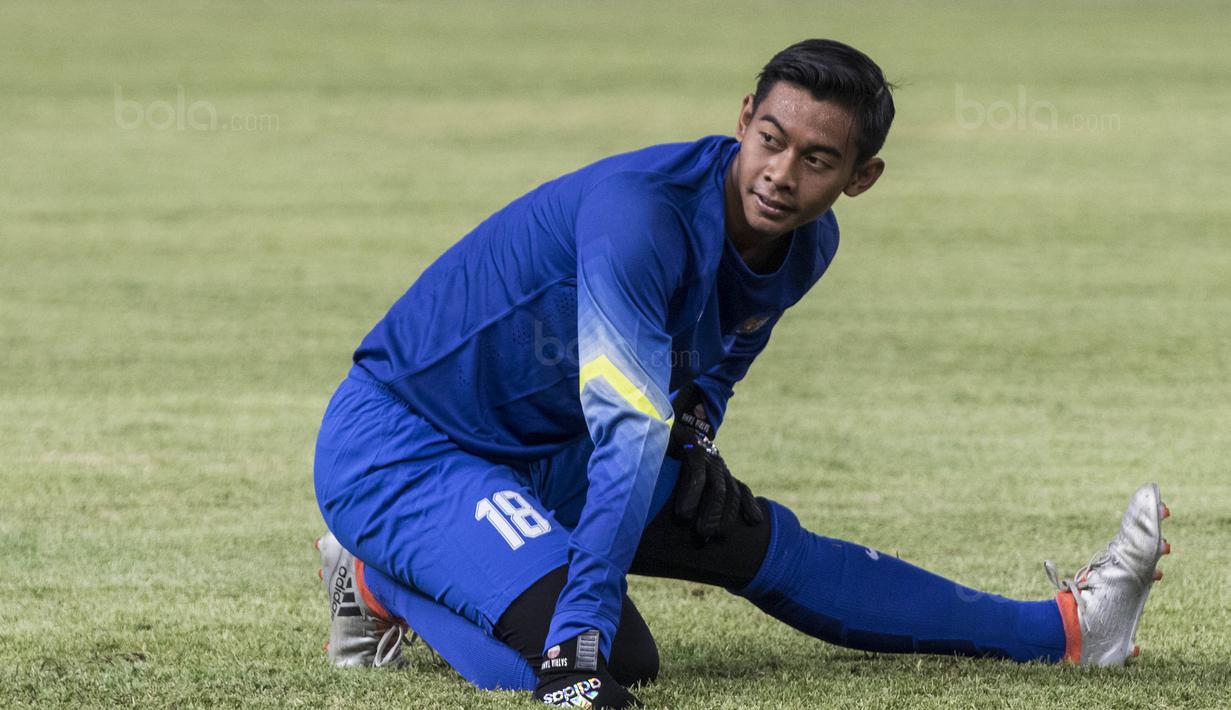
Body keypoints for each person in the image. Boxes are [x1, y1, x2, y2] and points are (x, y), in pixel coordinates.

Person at [312, 39, 1170, 708]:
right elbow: (624, 431)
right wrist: (573, 650)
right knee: (620, 658)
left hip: (551, 448)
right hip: (405, 449)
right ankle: (376, 576)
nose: (780, 175)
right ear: (744, 116)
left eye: (816, 160)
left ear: (861, 177)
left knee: (757, 539)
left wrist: (695, 430)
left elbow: (715, 362)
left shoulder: (807, 245)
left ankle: (1065, 629)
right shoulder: (637, 219)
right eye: (770, 140)